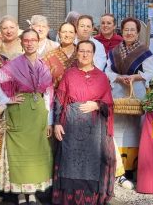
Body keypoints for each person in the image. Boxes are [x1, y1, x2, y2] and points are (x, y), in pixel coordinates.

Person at [0, 29, 54, 204]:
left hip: (39, 112)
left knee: (36, 151)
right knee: (17, 151)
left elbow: (48, 93)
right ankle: (19, 194)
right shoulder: (14, 65)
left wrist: (49, 121)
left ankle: (31, 193)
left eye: (34, 40)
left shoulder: (43, 66)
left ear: (39, 42)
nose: (30, 43)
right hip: (19, 110)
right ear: (21, 42)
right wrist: (6, 99)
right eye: (26, 40)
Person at [52, 40, 116, 205]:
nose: (85, 54)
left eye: (88, 51)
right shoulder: (69, 74)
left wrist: (97, 104)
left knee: (91, 164)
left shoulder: (102, 77)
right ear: (77, 53)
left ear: (93, 54)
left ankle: (90, 200)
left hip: (94, 130)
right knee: (69, 162)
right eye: (81, 51)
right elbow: (59, 99)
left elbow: (109, 104)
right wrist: (57, 123)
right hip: (70, 127)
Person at [106, 17, 153, 189]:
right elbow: (107, 70)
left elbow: (152, 72)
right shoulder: (114, 51)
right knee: (119, 127)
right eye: (126, 29)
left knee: (134, 129)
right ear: (122, 31)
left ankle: (132, 170)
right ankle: (118, 168)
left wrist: (136, 76)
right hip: (119, 92)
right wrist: (118, 77)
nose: (129, 33)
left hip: (136, 92)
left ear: (137, 33)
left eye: (132, 30)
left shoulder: (145, 51)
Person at [43, 22, 78, 88]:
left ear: (75, 35)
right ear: (59, 34)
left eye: (71, 32)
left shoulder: (82, 54)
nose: (67, 35)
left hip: (80, 96)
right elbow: (43, 80)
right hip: (56, 96)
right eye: (64, 32)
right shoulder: (50, 56)